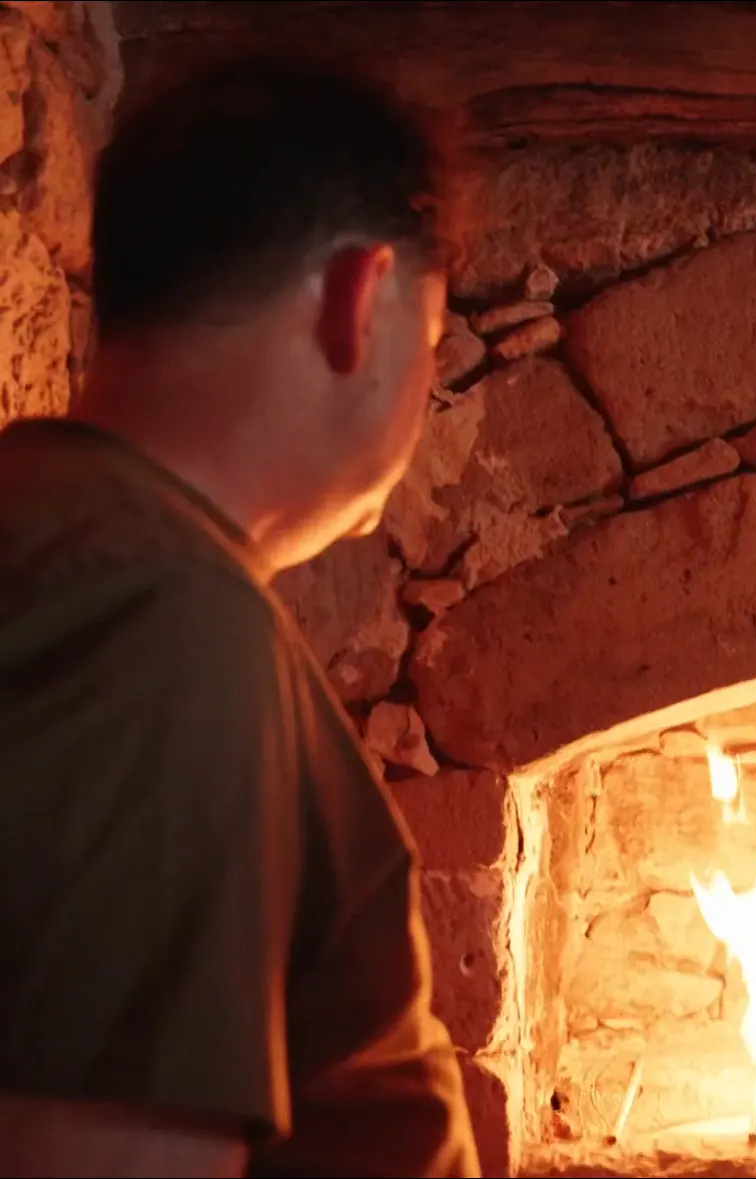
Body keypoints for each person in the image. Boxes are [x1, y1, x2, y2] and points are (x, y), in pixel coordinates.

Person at [0, 56, 481, 1177]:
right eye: (433, 344)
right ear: (361, 299)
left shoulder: (58, 529)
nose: (426, 391)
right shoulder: (163, 622)